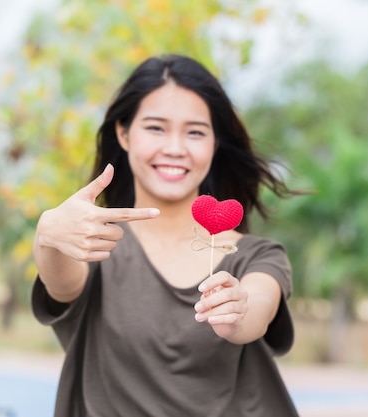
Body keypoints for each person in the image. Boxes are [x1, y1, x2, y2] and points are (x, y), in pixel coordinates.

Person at [31, 54, 299, 417]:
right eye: (156, 128)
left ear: (215, 143)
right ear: (124, 134)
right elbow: (62, 285)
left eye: (195, 132)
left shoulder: (258, 255)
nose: (175, 148)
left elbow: (258, 308)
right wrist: (47, 236)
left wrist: (240, 309)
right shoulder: (95, 243)